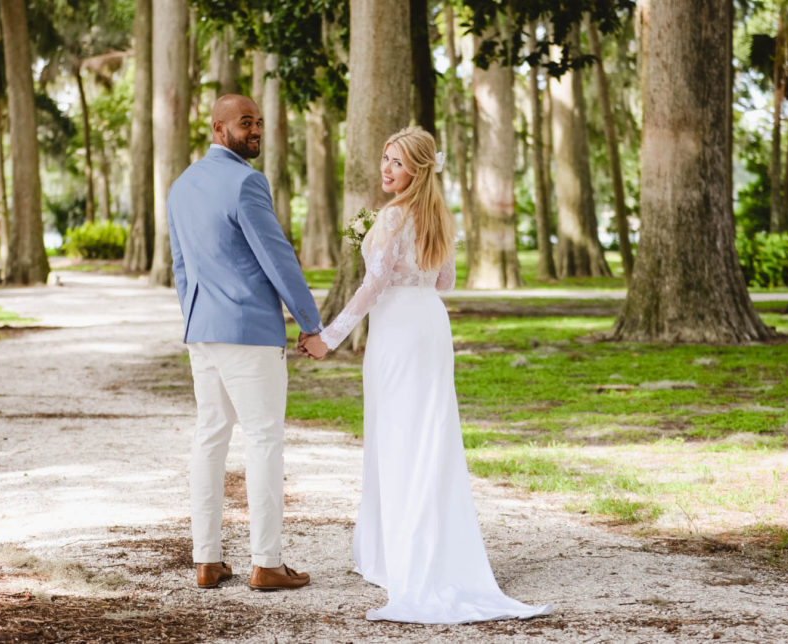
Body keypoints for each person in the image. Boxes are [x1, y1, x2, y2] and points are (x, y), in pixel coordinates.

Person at [300, 126, 552, 624]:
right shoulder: (439, 215)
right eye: (385, 159)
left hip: (396, 330)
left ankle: (401, 556)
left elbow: (372, 287)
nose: (386, 168)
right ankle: (417, 547)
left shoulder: (393, 216)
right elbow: (444, 281)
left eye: (396, 162)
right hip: (431, 325)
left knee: (397, 436)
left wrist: (329, 337)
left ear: (418, 168)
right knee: (429, 435)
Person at [167, 94, 318, 592]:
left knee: (210, 440)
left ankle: (207, 561)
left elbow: (181, 269)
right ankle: (266, 563)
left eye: (257, 121)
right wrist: (310, 324)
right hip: (249, 334)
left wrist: (193, 321)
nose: (254, 130)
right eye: (244, 122)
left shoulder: (181, 185)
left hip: (202, 332)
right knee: (263, 442)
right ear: (218, 128)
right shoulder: (247, 183)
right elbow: (277, 258)